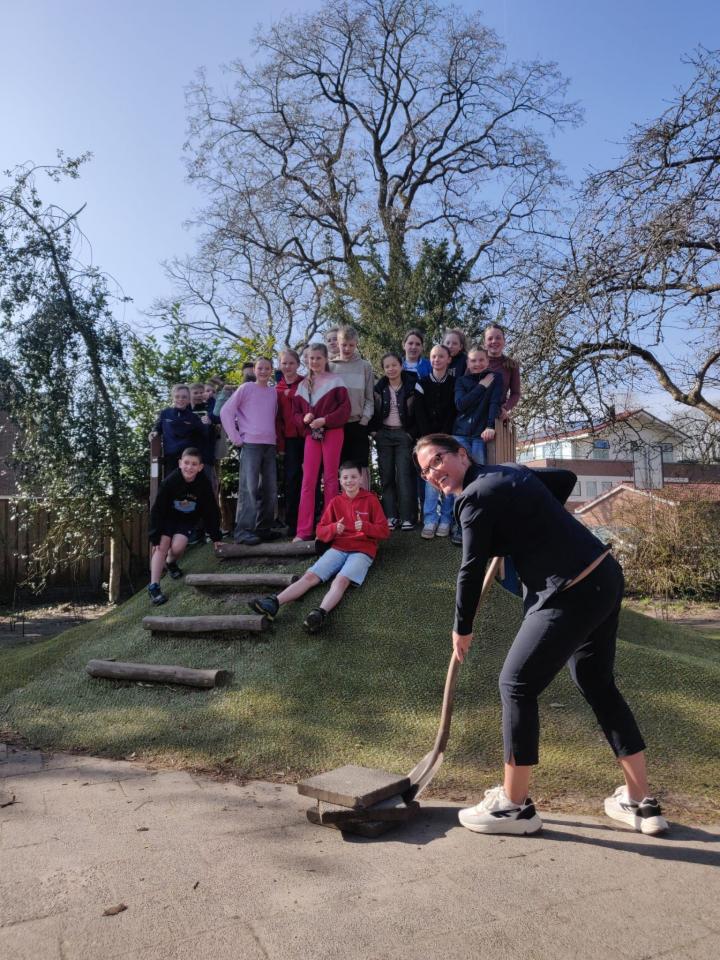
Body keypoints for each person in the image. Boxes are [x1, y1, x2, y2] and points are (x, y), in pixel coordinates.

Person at [414, 434, 669, 837]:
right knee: (596, 682)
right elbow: (564, 479)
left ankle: (514, 807)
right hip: (603, 575)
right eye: (425, 470)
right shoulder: (509, 472)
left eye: (437, 460)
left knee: (515, 685)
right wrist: (519, 521)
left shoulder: (473, 497)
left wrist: (462, 628)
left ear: (462, 454)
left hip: (566, 590)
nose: (433, 473)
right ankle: (640, 802)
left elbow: (470, 568)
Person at [248, 462, 389, 632]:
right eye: (345, 477)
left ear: (361, 479)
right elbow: (321, 531)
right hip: (338, 548)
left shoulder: (371, 500)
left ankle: (320, 613)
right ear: (340, 480)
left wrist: (366, 526)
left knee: (341, 580)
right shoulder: (336, 502)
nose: (349, 481)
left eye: (353, 477)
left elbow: (384, 531)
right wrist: (333, 528)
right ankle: (274, 603)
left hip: (362, 551)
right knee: (309, 576)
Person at [147, 447, 222, 605]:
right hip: (167, 518)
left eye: (194, 464)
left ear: (200, 467)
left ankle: (171, 562)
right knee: (161, 546)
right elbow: (158, 508)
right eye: (186, 463)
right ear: (180, 463)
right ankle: (154, 586)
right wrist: (155, 536)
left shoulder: (203, 484)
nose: (189, 467)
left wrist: (215, 536)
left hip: (186, 520)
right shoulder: (170, 481)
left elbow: (211, 510)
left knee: (178, 547)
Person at [292, 343, 351, 541]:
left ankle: (330, 529)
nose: (314, 361)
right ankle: (303, 531)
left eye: (318, 357)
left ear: (326, 359)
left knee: (331, 479)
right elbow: (295, 415)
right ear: (306, 360)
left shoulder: (336, 381)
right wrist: (304, 420)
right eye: (311, 358)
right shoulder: (302, 386)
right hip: (312, 436)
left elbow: (345, 410)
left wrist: (325, 420)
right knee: (308, 481)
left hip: (333, 432)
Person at [220, 358, 279, 546]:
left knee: (270, 489)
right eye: (260, 368)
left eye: (267, 368)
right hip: (251, 445)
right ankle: (243, 531)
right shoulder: (246, 389)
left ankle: (263, 528)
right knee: (249, 488)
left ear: (271, 371)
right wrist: (236, 438)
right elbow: (225, 411)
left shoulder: (273, 392)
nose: (263, 371)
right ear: (254, 370)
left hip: (269, 445)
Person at [370, 352, 417, 530]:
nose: (391, 369)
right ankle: (390, 516)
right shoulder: (379, 388)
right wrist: (374, 432)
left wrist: (411, 434)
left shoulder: (411, 386)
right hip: (384, 435)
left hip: (403, 435)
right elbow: (373, 409)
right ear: (383, 369)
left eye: (394, 365)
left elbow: (418, 412)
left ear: (401, 366)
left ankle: (406, 517)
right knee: (386, 476)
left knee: (404, 476)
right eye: (387, 366)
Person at [414, 344, 456, 538]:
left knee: (448, 478)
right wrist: (429, 440)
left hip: (448, 439)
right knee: (431, 479)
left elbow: (452, 411)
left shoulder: (455, 383)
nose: (436, 360)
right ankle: (430, 520)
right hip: (428, 440)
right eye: (433, 357)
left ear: (448, 359)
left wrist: (444, 438)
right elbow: (419, 413)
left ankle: (446, 519)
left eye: (440, 356)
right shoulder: (421, 383)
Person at [329, 325, 374, 491]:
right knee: (340, 471)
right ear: (338, 343)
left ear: (356, 344)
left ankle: (363, 512)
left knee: (360, 471)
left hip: (358, 424)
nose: (347, 349)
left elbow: (370, 397)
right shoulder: (330, 367)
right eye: (343, 345)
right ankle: (342, 512)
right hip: (336, 426)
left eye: (351, 345)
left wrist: (365, 420)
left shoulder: (365, 366)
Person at [453, 346, 503, 465]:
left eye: (481, 360)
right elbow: (460, 404)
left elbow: (494, 403)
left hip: (480, 434)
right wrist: (481, 386)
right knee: (462, 470)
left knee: (479, 470)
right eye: (473, 361)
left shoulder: (495, 378)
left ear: (487, 361)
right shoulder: (461, 381)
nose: (477, 364)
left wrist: (490, 426)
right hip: (460, 433)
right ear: (467, 363)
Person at [276, 348, 305, 538]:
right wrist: (280, 446)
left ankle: (313, 519)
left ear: (298, 364)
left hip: (308, 436)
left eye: (291, 363)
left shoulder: (305, 383)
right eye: (284, 363)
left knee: (310, 478)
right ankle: (292, 523)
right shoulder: (275, 389)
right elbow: (276, 419)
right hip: (289, 440)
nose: (288, 367)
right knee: (292, 479)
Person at [149, 384, 205, 479]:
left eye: (184, 397)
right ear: (173, 398)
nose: (180, 399)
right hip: (170, 457)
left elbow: (201, 437)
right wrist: (154, 432)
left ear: (188, 399)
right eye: (177, 396)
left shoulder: (194, 418)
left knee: (186, 487)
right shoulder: (165, 413)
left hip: (187, 460)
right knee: (170, 485)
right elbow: (158, 426)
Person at [483, 323, 521, 420]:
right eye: (490, 338)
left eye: (498, 338)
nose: (494, 341)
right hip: (475, 418)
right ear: (484, 342)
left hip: (497, 417)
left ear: (504, 341)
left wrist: (505, 408)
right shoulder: (475, 362)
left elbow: (516, 393)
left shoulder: (512, 365)